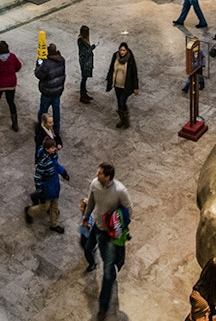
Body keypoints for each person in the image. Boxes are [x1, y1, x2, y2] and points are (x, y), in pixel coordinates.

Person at [82, 162, 133, 319]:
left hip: (109, 234)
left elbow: (129, 209)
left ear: (108, 176)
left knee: (108, 271)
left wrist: (119, 224)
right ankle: (100, 262)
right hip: (96, 226)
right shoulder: (95, 184)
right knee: (88, 247)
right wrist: (86, 217)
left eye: (100, 173)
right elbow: (91, 201)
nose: (97, 175)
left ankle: (103, 307)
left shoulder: (120, 191)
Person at [25, 136, 69, 233]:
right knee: (45, 206)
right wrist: (40, 191)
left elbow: (56, 165)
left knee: (55, 205)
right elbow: (37, 177)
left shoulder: (53, 156)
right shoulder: (43, 162)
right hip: (47, 187)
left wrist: (63, 172)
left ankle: (54, 224)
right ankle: (29, 211)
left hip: (54, 185)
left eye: (54, 147)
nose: (55, 149)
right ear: (47, 149)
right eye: (52, 148)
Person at [0, 40, 22, 132]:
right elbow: (19, 66)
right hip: (11, 83)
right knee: (11, 102)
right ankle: (15, 123)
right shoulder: (12, 57)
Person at [35, 43, 67, 139]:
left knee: (43, 110)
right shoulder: (62, 60)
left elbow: (39, 75)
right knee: (56, 110)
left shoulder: (46, 64)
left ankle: (41, 128)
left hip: (47, 92)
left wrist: (38, 64)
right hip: (57, 91)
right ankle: (56, 130)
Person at [105, 43, 139, 130]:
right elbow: (111, 68)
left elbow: (134, 73)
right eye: (121, 50)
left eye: (124, 50)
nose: (122, 52)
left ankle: (126, 120)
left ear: (126, 50)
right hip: (117, 85)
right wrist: (109, 79)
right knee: (119, 102)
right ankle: (122, 120)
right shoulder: (115, 56)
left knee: (122, 102)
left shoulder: (130, 59)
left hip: (126, 86)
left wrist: (136, 87)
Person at [78, 198, 98, 273]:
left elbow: (89, 226)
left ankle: (92, 263)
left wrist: (85, 225)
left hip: (87, 235)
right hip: (85, 233)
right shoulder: (86, 213)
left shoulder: (88, 216)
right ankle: (92, 249)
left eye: (81, 206)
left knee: (86, 250)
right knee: (82, 244)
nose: (79, 207)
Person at [78, 26, 97, 104]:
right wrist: (92, 47)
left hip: (87, 62)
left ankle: (84, 93)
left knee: (85, 78)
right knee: (84, 78)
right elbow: (85, 52)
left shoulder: (84, 40)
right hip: (85, 62)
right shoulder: (81, 41)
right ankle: (82, 95)